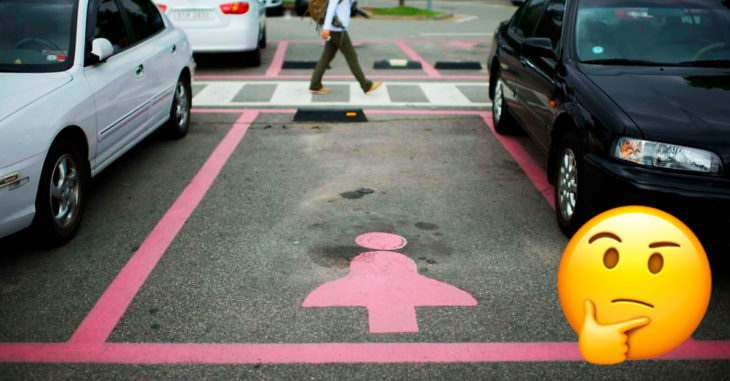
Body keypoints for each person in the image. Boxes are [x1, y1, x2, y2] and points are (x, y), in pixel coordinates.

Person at [309, 0, 382, 95]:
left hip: (336, 29)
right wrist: (326, 29)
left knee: (326, 57)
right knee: (351, 55)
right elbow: (331, 8)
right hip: (337, 30)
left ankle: (315, 84)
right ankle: (366, 85)